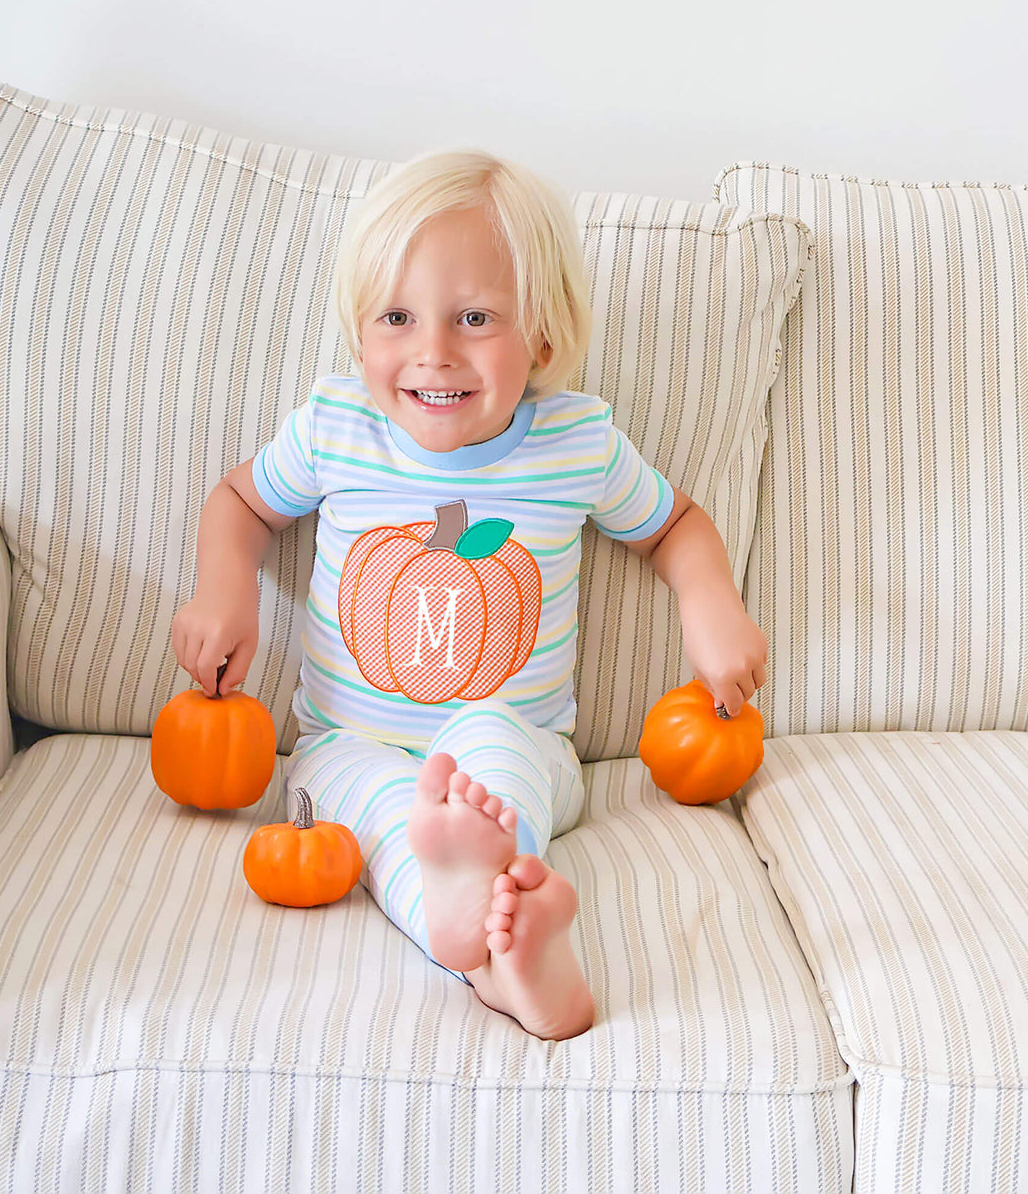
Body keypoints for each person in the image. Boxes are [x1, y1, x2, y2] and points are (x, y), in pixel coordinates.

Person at [171, 148, 767, 1040]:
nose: (433, 353)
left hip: (519, 738)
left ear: (544, 340)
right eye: (398, 317)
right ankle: (500, 959)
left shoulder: (576, 444)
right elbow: (241, 502)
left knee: (490, 754)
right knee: (372, 810)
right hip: (348, 741)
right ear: (360, 331)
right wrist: (226, 591)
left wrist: (712, 607)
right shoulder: (337, 428)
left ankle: (486, 903)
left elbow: (674, 526)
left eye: (475, 318)